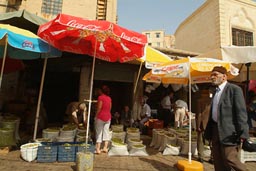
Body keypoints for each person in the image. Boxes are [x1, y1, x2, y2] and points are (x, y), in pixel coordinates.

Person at [204, 66, 249, 171]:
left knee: (230, 159)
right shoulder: (215, 91)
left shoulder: (234, 90)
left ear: (224, 77)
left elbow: (241, 113)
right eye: (211, 75)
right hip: (215, 130)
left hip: (229, 132)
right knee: (218, 160)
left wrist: (243, 134)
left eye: (215, 74)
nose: (212, 77)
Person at [94, 85, 112, 154]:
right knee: (106, 132)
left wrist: (96, 116)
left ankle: (98, 149)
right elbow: (110, 108)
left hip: (101, 117)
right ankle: (105, 148)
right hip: (108, 117)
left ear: (101, 91)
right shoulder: (109, 98)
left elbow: (99, 108)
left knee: (99, 133)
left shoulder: (100, 97)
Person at [195, 95, 211, 163]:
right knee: (212, 141)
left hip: (203, 123)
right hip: (212, 123)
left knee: (200, 140)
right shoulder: (215, 100)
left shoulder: (200, 101)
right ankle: (212, 157)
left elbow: (199, 114)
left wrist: (198, 125)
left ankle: (201, 156)